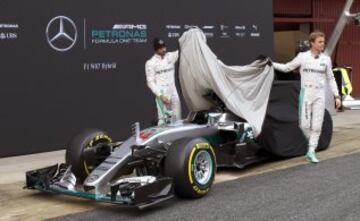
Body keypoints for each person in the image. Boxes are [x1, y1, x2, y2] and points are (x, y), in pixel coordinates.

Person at [273, 31, 341, 163]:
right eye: (320, 42)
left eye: (323, 41)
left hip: (319, 95)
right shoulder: (302, 57)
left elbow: (331, 78)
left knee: (316, 126)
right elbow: (287, 68)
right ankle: (312, 144)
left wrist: (337, 96)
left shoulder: (326, 59)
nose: (323, 44)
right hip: (306, 94)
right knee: (304, 125)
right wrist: (272, 64)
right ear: (312, 43)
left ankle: (311, 151)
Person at [145, 38, 181, 125]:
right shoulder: (150, 63)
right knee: (163, 121)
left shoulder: (170, 56)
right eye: (161, 48)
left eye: (164, 47)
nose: (164, 49)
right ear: (156, 49)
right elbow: (150, 82)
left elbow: (182, 50)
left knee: (178, 120)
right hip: (162, 94)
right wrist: (160, 96)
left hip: (173, 93)